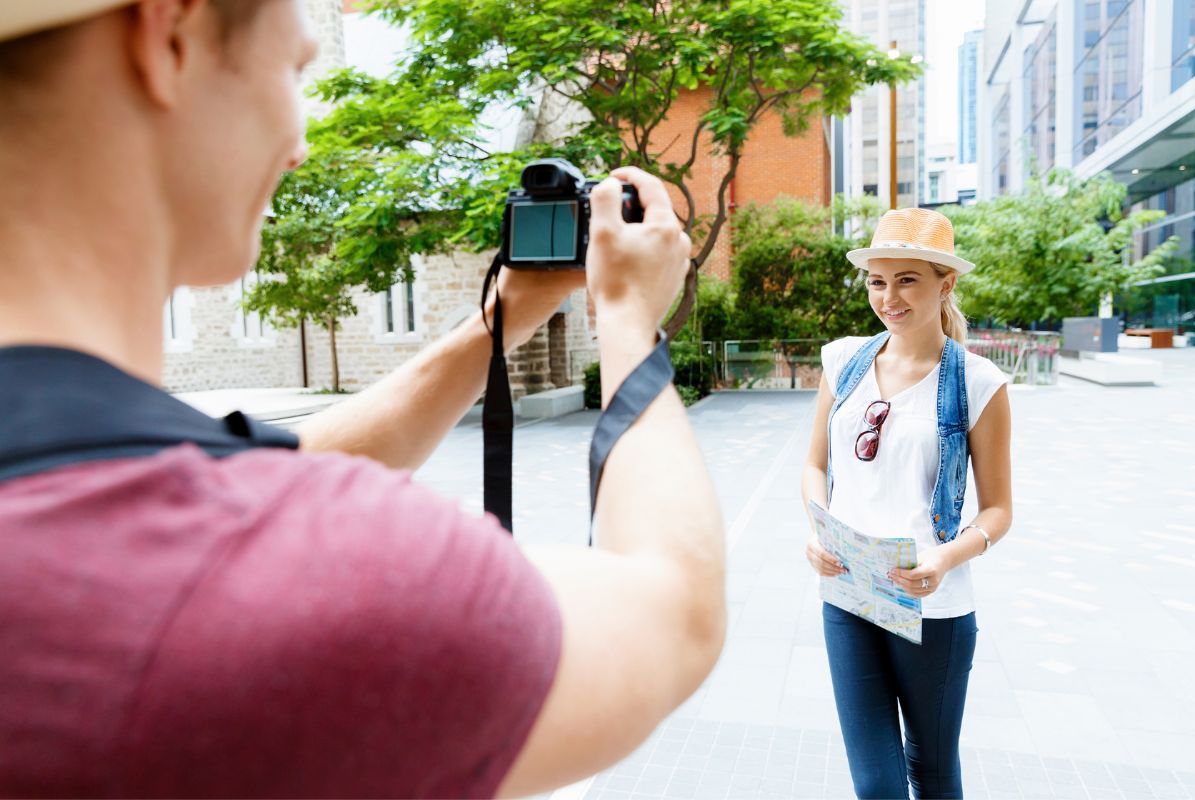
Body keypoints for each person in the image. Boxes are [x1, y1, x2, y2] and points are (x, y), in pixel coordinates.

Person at [0, 1, 726, 796]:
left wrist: (504, 315)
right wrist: (625, 315)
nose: (302, 144)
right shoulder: (316, 586)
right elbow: (676, 614)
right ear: (169, 34)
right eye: (296, 70)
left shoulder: (71, 493)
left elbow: (243, 469)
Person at [801, 207, 1013, 799]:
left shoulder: (977, 382)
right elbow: (814, 465)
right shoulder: (842, 362)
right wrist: (817, 531)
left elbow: (998, 510)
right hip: (847, 592)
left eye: (907, 279)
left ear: (945, 284)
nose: (888, 297)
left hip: (932, 607)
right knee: (877, 785)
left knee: (933, 773)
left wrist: (945, 561)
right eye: (877, 280)